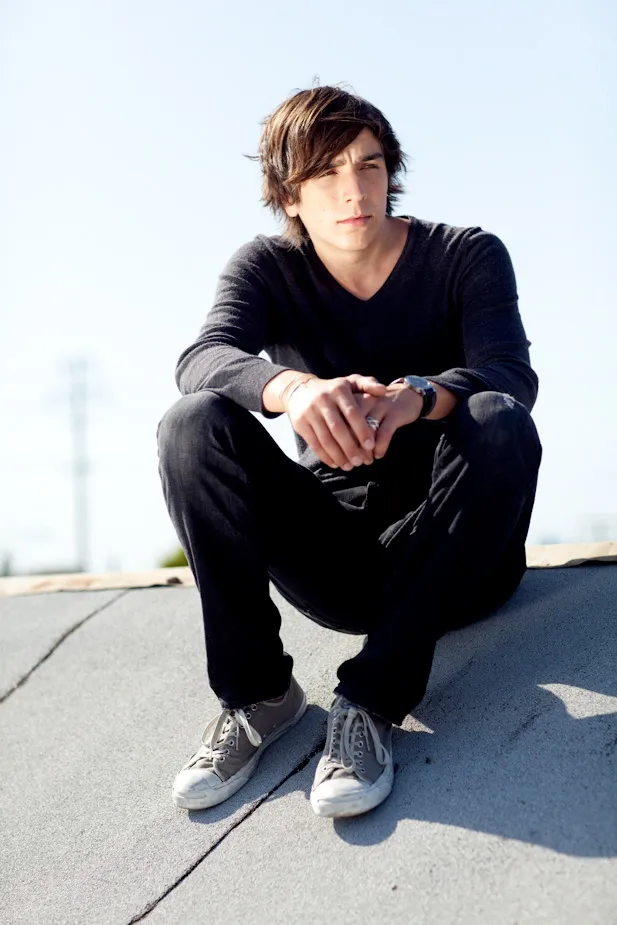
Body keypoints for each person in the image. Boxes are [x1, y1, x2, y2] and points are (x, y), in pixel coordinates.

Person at [157, 84, 542, 819]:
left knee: (497, 418)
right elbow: (201, 358)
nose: (354, 190)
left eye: (368, 165)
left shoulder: (465, 254)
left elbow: (510, 374)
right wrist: (293, 389)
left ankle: (369, 703)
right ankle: (259, 696)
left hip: (461, 553)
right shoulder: (266, 268)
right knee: (191, 423)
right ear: (288, 196)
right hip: (340, 566)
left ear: (390, 171)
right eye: (326, 173)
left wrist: (418, 396)